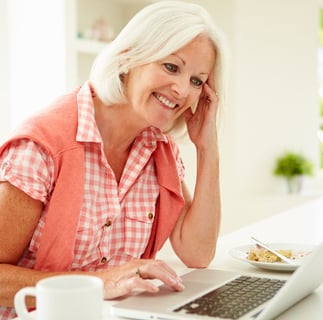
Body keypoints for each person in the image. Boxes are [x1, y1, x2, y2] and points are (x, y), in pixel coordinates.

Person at [0, 0, 228, 318]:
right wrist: (102, 282)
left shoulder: (158, 150)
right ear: (129, 55)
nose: (181, 90)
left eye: (197, 81)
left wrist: (208, 148)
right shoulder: (42, 148)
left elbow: (197, 253)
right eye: (171, 67)